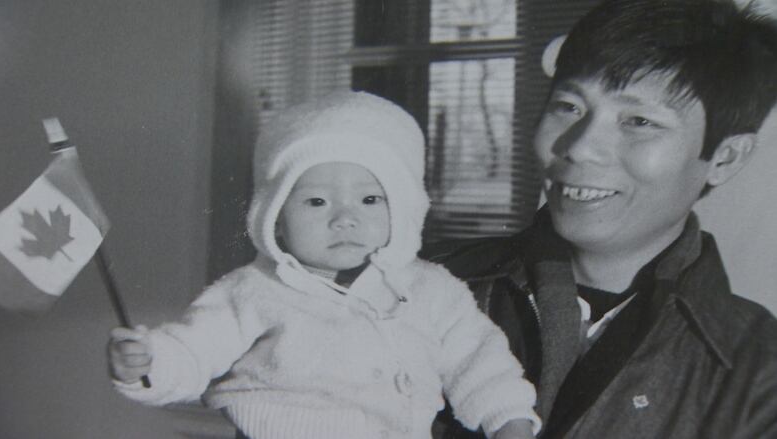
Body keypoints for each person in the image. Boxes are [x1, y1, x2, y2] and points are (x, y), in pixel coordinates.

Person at [426, 0, 777, 438]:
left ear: (725, 158)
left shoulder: (759, 372)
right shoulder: (421, 289)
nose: (580, 146)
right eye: (569, 106)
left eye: (639, 121)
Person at [107, 91, 540, 439]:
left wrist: (509, 418)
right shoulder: (254, 289)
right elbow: (194, 347)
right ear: (275, 216)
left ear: (404, 207)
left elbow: (479, 360)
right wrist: (150, 363)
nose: (344, 218)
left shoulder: (432, 289)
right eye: (316, 201)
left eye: (370, 199)